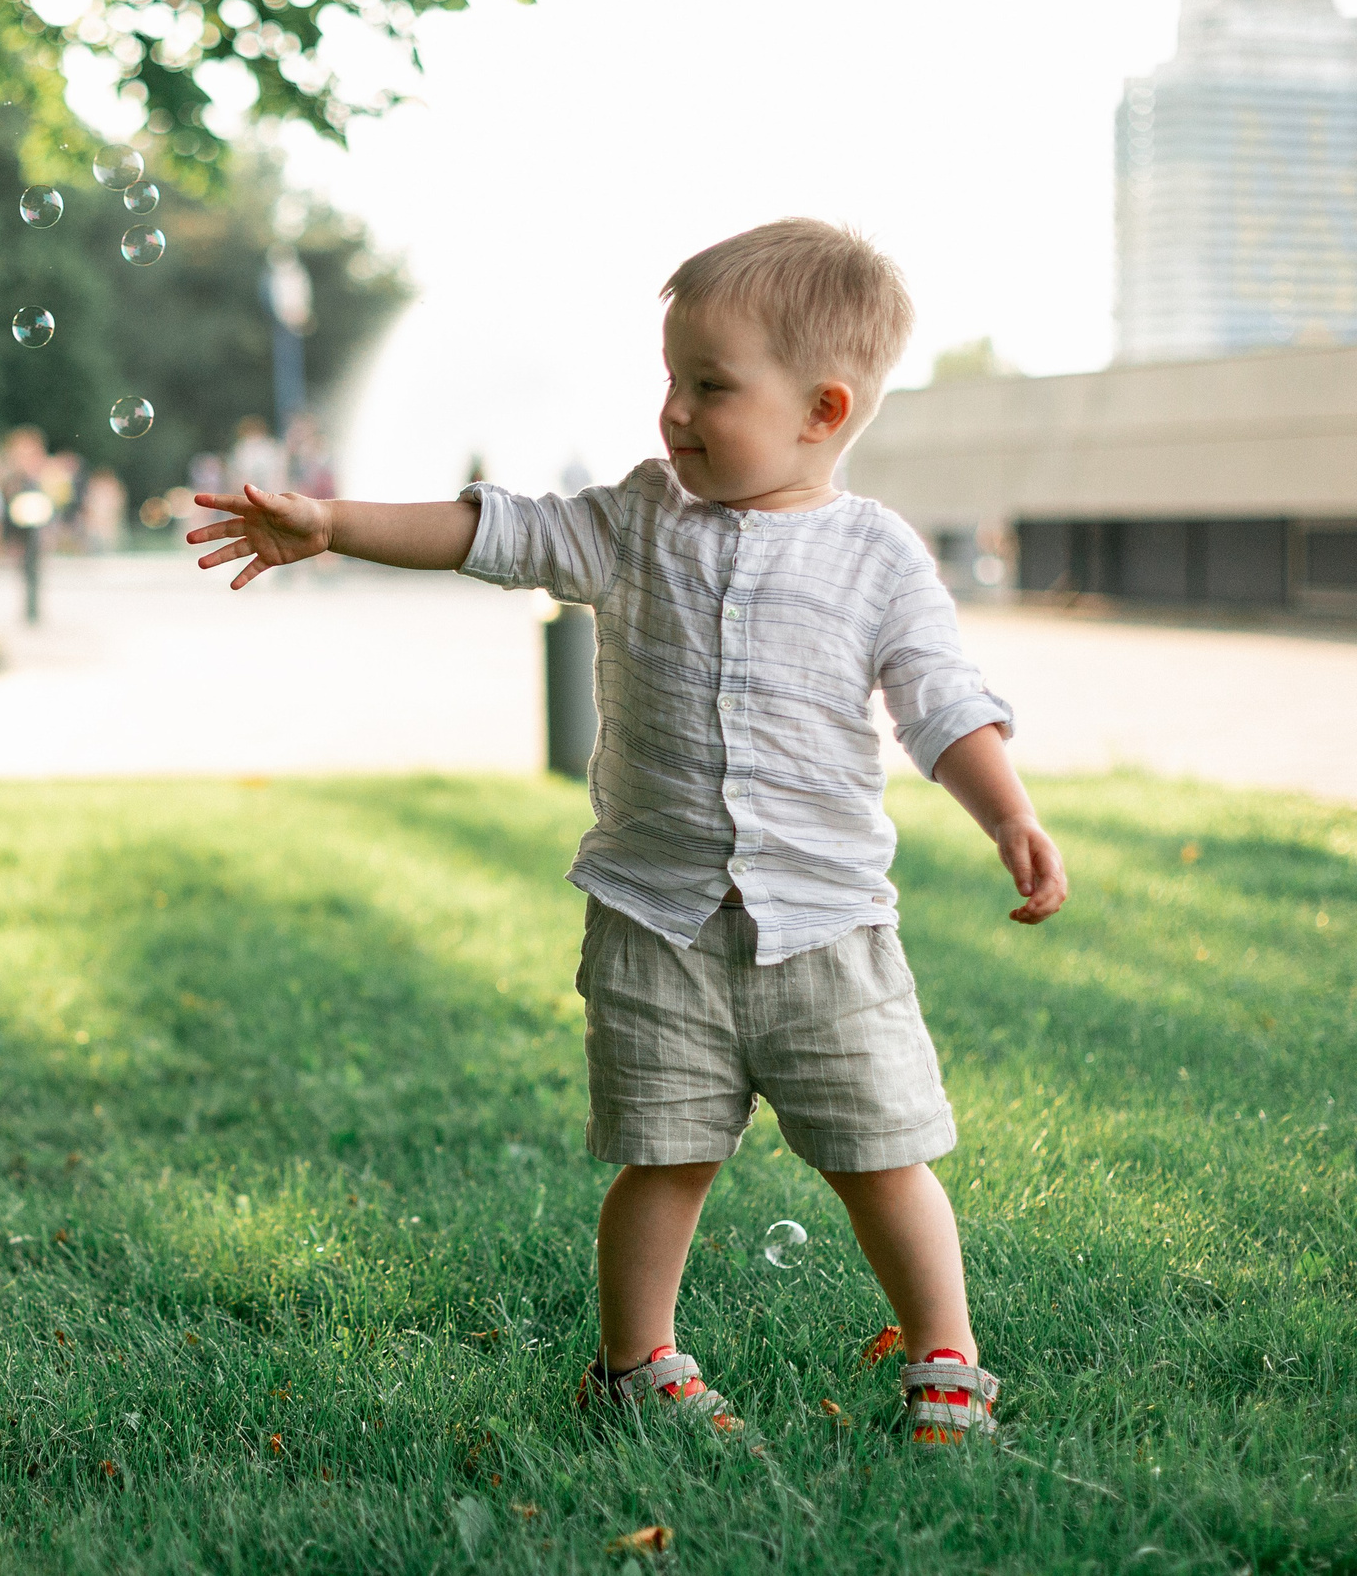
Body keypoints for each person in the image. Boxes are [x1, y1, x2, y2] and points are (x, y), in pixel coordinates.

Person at [188, 219, 1066, 1445]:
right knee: (664, 1158)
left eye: (710, 386)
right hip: (657, 921)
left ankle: (946, 1355)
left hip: (827, 930)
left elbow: (941, 703)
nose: (674, 411)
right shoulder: (635, 521)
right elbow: (490, 530)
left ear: (821, 408)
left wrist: (1007, 813)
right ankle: (633, 1364)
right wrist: (336, 524)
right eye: (669, 380)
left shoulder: (875, 556)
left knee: (881, 1155)